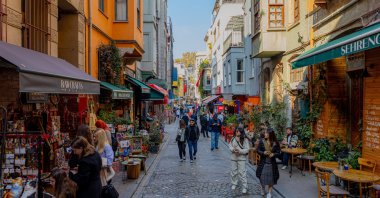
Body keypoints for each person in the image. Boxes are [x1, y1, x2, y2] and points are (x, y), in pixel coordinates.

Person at [256, 128, 280, 198]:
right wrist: (263, 152)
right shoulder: (262, 141)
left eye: (266, 133)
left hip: (272, 164)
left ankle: (269, 192)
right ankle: (263, 189)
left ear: (270, 134)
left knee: (271, 179)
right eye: (265, 133)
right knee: (261, 178)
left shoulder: (275, 143)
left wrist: (274, 154)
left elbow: (279, 152)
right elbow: (258, 150)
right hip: (263, 163)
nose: (265, 134)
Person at [229, 127, 250, 194]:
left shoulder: (245, 140)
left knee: (242, 172)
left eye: (238, 131)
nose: (237, 132)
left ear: (241, 132)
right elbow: (230, 146)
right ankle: (234, 183)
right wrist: (233, 149)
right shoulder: (233, 138)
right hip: (233, 158)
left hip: (241, 158)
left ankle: (245, 186)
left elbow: (247, 149)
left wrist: (240, 151)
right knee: (233, 171)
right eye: (236, 131)